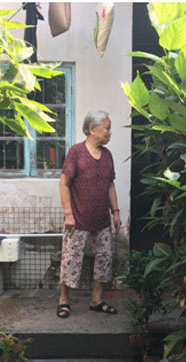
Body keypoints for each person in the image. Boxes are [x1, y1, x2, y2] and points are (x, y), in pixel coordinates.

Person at [57, 110, 121, 318]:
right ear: (92, 129)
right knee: (70, 259)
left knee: (104, 258)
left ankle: (96, 300)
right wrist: (68, 214)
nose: (109, 132)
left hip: (102, 219)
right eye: (107, 128)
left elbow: (110, 185)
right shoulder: (76, 152)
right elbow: (64, 184)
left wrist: (115, 212)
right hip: (77, 219)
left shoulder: (107, 155)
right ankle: (64, 300)